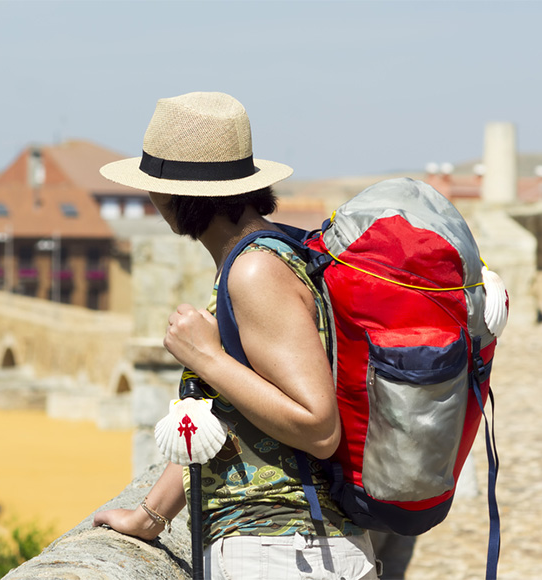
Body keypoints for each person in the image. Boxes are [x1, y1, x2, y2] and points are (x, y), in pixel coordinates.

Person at [93, 92, 378, 580]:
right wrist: (150, 517)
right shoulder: (266, 255)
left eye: (153, 186)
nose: (151, 199)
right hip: (288, 551)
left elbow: (319, 428)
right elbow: (230, 412)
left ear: (180, 195)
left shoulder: (254, 272)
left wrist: (206, 358)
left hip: (286, 553)